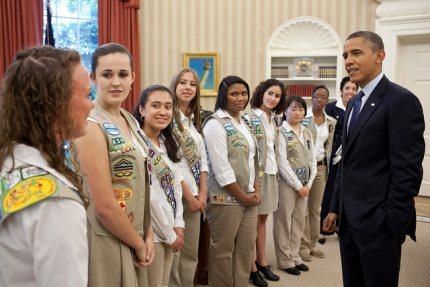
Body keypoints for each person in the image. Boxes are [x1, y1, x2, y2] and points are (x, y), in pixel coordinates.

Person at [323, 31, 425, 287]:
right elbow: (347, 161)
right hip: (348, 221)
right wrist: (335, 206)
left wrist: (391, 221)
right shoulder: (354, 102)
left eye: (356, 53)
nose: (348, 60)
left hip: (378, 223)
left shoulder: (401, 100)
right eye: (345, 55)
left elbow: (408, 170)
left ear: (380, 55)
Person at [0, 46, 94, 286]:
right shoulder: (56, 203)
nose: (92, 105)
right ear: (56, 104)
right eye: (86, 95)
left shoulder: (8, 164)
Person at [76, 43, 154, 287]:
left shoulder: (129, 119)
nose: (116, 83)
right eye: (107, 75)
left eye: (122, 75)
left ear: (132, 77)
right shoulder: (90, 125)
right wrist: (139, 243)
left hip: (135, 231)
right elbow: (104, 207)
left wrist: (148, 233)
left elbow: (142, 181)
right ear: (93, 78)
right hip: (108, 236)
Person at [203, 75, 261, 287]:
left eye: (244, 93)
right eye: (234, 94)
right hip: (226, 199)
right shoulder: (214, 124)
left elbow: (253, 159)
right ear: (223, 96)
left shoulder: (244, 121)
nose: (240, 98)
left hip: (248, 197)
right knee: (223, 251)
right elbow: (222, 170)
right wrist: (244, 197)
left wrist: (256, 190)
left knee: (245, 250)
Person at [132, 85, 186, 287]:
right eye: (156, 105)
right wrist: (170, 233)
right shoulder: (138, 144)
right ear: (142, 110)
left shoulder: (166, 141)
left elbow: (176, 187)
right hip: (151, 233)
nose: (163, 112)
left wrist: (178, 223)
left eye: (168, 106)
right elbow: (149, 196)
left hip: (170, 227)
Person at [168, 68, 209, 287]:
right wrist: (190, 197)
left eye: (192, 84)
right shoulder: (167, 119)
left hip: (196, 196)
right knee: (174, 253)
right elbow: (170, 164)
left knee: (191, 253)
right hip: (176, 197)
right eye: (182, 83)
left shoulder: (192, 121)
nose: (187, 88)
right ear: (174, 86)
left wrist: (202, 193)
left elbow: (202, 160)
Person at [247, 79, 286, 287]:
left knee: (263, 220)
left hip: (272, 173)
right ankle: (252, 267)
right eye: (270, 93)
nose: (273, 99)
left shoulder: (275, 119)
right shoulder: (250, 117)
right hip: (257, 176)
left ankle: (262, 262)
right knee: (253, 221)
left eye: (277, 96)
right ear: (262, 93)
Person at [273, 95, 316, 276]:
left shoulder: (307, 132)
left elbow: (312, 159)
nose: (297, 112)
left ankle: (295, 256)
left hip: (305, 185)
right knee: (283, 222)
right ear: (285, 110)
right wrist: (298, 185)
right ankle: (284, 260)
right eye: (293, 108)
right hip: (287, 185)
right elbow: (282, 163)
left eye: (301, 109)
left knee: (299, 221)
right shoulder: (281, 132)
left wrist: (309, 183)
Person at [299, 85, 336, 261]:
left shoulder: (331, 122)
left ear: (327, 100)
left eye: (323, 97)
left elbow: (328, 147)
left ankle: (313, 244)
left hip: (321, 168)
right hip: (304, 168)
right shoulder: (302, 118)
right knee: (303, 210)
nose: (319, 100)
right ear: (311, 98)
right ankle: (303, 247)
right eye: (316, 96)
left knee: (315, 209)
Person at [319, 77, 357, 244]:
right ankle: (322, 229)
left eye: (354, 89)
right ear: (341, 90)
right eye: (347, 88)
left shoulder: (358, 107)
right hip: (333, 157)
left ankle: (340, 226)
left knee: (346, 192)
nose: (350, 92)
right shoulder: (331, 107)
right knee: (330, 192)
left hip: (350, 157)